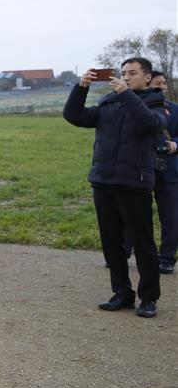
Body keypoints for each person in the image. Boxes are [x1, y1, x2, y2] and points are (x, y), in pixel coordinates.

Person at [63, 58, 166, 317]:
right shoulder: (109, 102)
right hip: (104, 181)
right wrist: (81, 88)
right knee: (111, 243)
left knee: (143, 243)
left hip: (134, 183)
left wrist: (126, 94)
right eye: (123, 73)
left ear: (147, 77)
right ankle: (122, 293)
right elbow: (74, 116)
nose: (126, 77)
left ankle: (148, 298)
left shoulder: (155, 102)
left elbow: (150, 124)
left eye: (132, 73)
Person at [150, 71, 178, 274]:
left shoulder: (174, 109)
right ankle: (124, 251)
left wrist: (175, 144)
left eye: (163, 83)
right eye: (156, 83)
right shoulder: (135, 108)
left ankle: (167, 258)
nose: (161, 87)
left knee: (171, 217)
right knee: (134, 214)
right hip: (142, 167)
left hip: (170, 168)